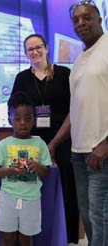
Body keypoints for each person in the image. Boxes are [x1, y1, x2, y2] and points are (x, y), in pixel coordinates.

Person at [11, 34, 79, 243]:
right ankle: (31, 237)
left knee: (66, 189)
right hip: (30, 142)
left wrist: (54, 143)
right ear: (25, 53)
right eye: (30, 49)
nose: (35, 52)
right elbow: (13, 108)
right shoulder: (22, 78)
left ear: (47, 48)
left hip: (62, 139)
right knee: (28, 189)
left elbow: (74, 110)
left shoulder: (64, 74)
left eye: (38, 47)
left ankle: (66, 238)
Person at [50, 2, 108, 245]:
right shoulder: (80, 59)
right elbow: (76, 111)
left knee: (100, 216)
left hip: (101, 153)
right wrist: (54, 143)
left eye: (87, 17)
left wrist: (106, 144)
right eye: (76, 20)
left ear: (99, 19)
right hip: (79, 153)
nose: (81, 23)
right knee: (88, 216)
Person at [0, 91, 51, 246]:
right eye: (17, 119)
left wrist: (36, 166)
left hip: (32, 199)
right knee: (8, 238)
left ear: (34, 120)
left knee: (26, 238)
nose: (23, 123)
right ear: (10, 120)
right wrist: (11, 170)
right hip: (8, 198)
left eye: (27, 118)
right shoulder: (4, 144)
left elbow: (46, 171)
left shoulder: (40, 144)